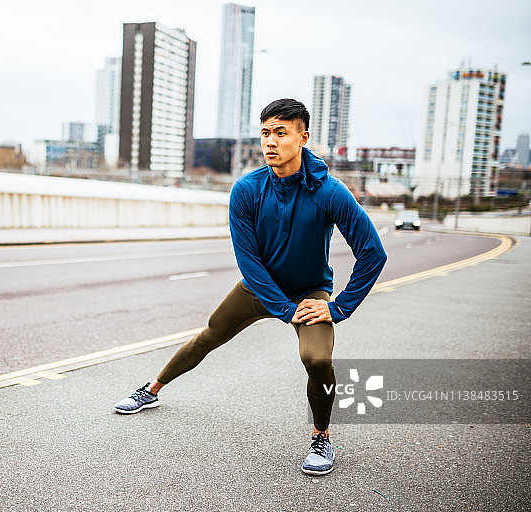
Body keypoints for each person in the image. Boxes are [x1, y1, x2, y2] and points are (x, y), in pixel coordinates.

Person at [113, 98, 387, 476]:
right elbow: (249, 262)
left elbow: (373, 253)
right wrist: (284, 308)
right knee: (210, 334)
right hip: (259, 288)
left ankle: (321, 436)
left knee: (318, 360)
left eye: (281, 133)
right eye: (265, 134)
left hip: (309, 294)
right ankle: (151, 389)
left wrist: (338, 307)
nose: (270, 142)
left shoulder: (330, 192)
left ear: (303, 137)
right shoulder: (246, 190)